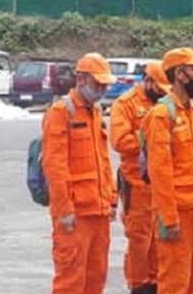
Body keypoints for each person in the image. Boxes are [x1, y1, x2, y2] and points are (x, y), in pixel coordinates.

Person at [43, 53, 117, 294]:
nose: (103, 89)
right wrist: (63, 209)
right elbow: (55, 165)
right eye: (99, 84)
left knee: (96, 279)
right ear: (81, 79)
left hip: (99, 211)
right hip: (75, 215)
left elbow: (103, 161)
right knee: (71, 281)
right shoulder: (62, 112)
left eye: (105, 84)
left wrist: (111, 200)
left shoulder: (95, 112)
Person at [147, 48, 193, 294]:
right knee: (175, 280)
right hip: (177, 213)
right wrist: (169, 218)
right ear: (179, 74)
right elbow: (160, 172)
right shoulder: (162, 114)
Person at [109, 60, 168, 294]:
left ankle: (155, 281)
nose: (163, 92)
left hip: (160, 183)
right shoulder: (126, 105)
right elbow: (120, 140)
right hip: (137, 184)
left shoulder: (164, 104)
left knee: (160, 239)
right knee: (139, 240)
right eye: (160, 87)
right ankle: (139, 284)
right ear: (148, 81)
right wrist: (151, 136)